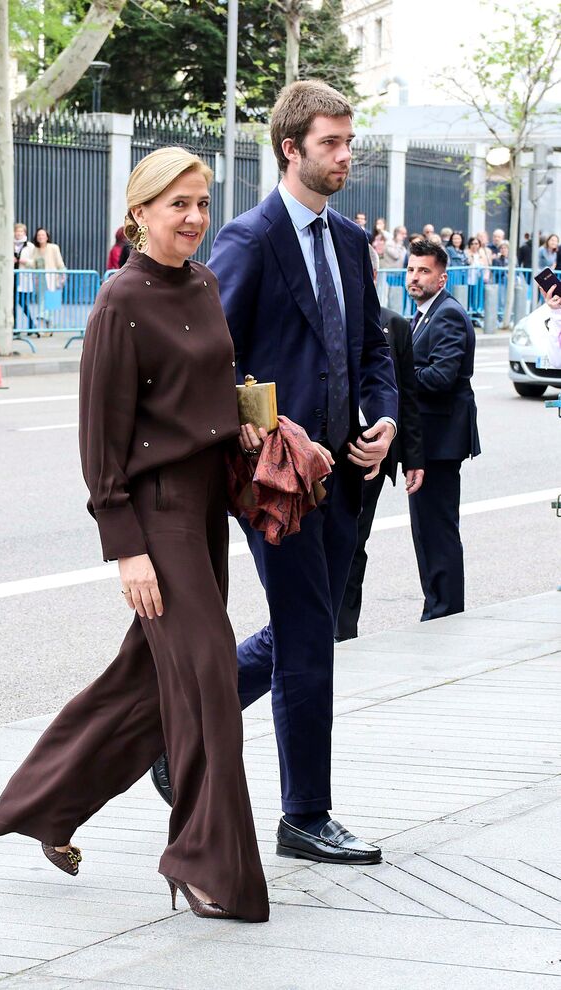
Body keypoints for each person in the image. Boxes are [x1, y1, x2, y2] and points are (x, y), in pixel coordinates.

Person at [0, 147, 270, 924]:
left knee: (142, 685)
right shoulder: (118, 301)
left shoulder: (205, 285)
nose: (195, 219)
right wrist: (128, 549)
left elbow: (209, 387)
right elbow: (100, 441)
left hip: (207, 509)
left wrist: (246, 428)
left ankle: (45, 806)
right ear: (140, 211)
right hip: (159, 518)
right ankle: (203, 862)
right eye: (178, 204)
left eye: (203, 203)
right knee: (212, 682)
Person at [156, 80, 397, 867]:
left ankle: (179, 731)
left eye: (348, 142)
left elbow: (374, 349)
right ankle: (306, 815)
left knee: (311, 628)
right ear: (291, 149)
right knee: (309, 637)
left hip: (346, 482)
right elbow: (205, 355)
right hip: (277, 485)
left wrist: (383, 415)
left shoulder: (352, 242)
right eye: (331, 144)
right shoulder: (251, 240)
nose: (345, 156)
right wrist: (265, 439)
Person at [335, 246, 424, 641]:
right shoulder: (325, 320)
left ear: (370, 278)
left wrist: (412, 459)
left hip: (372, 450)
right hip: (326, 447)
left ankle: (344, 630)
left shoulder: (394, 325)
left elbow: (407, 394)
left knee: (354, 543)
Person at [406, 238, 480, 620]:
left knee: (437, 528)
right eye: (411, 269)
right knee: (427, 529)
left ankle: (445, 610)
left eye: (424, 271)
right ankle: (436, 605)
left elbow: (441, 376)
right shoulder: (423, 314)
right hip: (429, 439)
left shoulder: (447, 313)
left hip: (440, 440)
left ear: (442, 277)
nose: (415, 277)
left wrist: (401, 375)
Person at [21, 228, 66, 328]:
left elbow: (59, 262)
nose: (41, 237)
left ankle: (48, 325)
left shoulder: (53, 247)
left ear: (47, 237)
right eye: (39, 235)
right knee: (41, 300)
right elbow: (33, 263)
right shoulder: (35, 250)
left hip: (52, 278)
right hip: (40, 279)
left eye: (43, 235)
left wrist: (62, 274)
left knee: (51, 302)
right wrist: (26, 262)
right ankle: (42, 320)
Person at [13, 223, 35, 332]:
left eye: (21, 231)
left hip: (23, 277)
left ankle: (31, 324)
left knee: (22, 302)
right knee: (12, 303)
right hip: (12, 278)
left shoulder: (30, 246)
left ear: (24, 233)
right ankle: (14, 327)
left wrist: (24, 261)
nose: (18, 233)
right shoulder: (9, 244)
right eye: (17, 231)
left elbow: (34, 262)